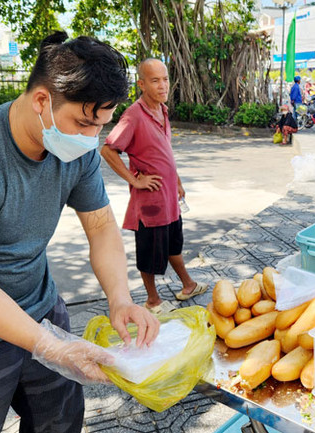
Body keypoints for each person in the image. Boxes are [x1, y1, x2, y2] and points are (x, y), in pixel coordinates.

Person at [0, 32, 160, 432]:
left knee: (59, 423)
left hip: (39, 307)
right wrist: (51, 347)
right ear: (41, 101)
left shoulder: (80, 149)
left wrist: (121, 299)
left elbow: (102, 226)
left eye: (101, 126)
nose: (92, 139)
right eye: (85, 122)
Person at [101, 59, 207, 315]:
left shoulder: (163, 110)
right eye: (155, 80)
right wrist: (135, 180)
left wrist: (177, 181)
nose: (163, 85)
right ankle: (153, 301)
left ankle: (188, 285)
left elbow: (164, 152)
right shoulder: (134, 115)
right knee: (150, 253)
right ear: (141, 84)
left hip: (169, 198)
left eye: (165, 79)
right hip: (149, 203)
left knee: (173, 245)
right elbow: (108, 149)